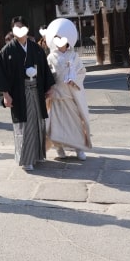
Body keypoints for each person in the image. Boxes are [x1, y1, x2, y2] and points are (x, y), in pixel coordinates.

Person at [0, 16, 55, 171]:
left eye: (22, 27)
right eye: (16, 27)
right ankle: (26, 158)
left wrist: (50, 87)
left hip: (36, 90)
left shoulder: (36, 49)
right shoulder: (7, 51)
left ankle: (37, 155)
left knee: (38, 123)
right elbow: (2, 75)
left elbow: (45, 70)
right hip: (19, 93)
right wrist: (6, 95)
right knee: (24, 125)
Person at [45, 18, 91, 161]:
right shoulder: (51, 57)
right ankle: (59, 148)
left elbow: (82, 71)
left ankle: (79, 149)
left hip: (71, 94)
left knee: (76, 123)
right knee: (57, 125)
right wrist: (50, 83)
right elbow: (47, 75)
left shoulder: (74, 56)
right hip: (57, 94)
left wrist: (74, 80)